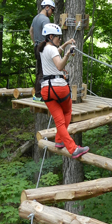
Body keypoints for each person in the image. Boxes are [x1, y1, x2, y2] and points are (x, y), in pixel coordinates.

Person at [39, 23, 89, 159]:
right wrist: (67, 54)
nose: (60, 39)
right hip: (59, 88)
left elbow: (56, 52)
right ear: (51, 37)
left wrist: (66, 44)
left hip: (46, 90)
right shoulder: (52, 49)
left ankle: (60, 141)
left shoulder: (43, 49)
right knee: (67, 112)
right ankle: (72, 148)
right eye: (58, 37)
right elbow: (60, 66)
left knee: (59, 121)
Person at [30, 0, 55, 101]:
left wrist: (35, 43)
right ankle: (39, 95)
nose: (52, 13)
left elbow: (31, 31)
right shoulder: (45, 19)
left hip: (37, 47)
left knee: (39, 71)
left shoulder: (36, 18)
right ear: (47, 7)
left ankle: (38, 94)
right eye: (52, 10)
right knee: (43, 72)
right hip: (43, 48)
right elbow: (48, 34)